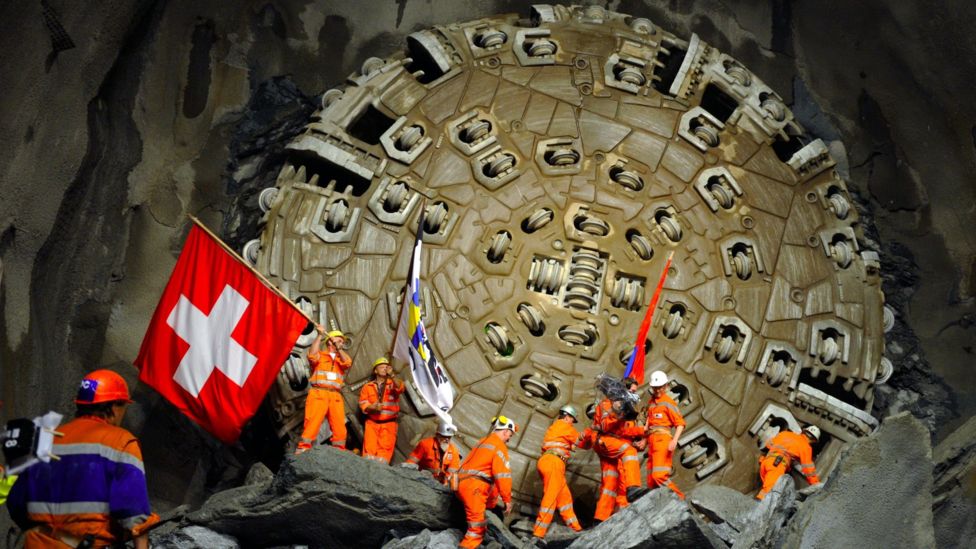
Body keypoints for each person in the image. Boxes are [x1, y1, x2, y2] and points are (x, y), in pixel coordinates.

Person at [7, 370, 159, 548]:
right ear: (115, 406)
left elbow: (16, 502)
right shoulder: (121, 442)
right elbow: (133, 511)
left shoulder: (47, 441)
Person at [585, 377, 647, 522]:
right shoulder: (608, 404)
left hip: (609, 443)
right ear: (623, 389)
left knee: (610, 483)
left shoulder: (621, 406)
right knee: (629, 451)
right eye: (631, 390)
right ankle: (633, 488)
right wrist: (617, 411)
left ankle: (599, 518)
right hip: (605, 441)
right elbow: (605, 426)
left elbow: (623, 432)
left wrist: (642, 431)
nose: (633, 393)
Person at [455, 415, 516, 549]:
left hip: (459, 484)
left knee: (471, 518)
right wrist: (507, 500)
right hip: (474, 488)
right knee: (477, 529)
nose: (509, 439)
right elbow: (503, 476)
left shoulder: (483, 441)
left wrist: (491, 503)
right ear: (505, 431)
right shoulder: (499, 446)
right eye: (509, 435)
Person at [531, 405, 583, 543]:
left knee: (564, 498)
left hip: (547, 461)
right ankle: (538, 533)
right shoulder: (566, 427)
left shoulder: (555, 427)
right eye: (572, 419)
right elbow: (582, 442)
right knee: (551, 497)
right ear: (567, 417)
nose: (572, 422)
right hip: (554, 461)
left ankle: (576, 529)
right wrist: (594, 433)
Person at [296, 325, 352, 454]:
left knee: (339, 426)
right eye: (339, 340)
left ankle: (339, 451)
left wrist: (339, 348)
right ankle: (303, 448)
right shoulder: (320, 356)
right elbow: (311, 355)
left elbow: (347, 363)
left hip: (335, 396)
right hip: (318, 393)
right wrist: (320, 335)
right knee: (312, 422)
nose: (342, 343)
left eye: (342, 341)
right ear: (330, 342)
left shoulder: (341, 359)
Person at [643, 370, 685, 498]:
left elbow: (680, 424)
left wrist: (674, 441)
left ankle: (680, 499)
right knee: (651, 481)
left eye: (660, 387)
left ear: (666, 386)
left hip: (663, 441)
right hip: (652, 442)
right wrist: (644, 440)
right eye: (655, 388)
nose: (657, 390)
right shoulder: (651, 403)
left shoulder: (668, 403)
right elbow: (649, 424)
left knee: (659, 476)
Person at [359, 357, 407, 464]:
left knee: (383, 457)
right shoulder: (368, 387)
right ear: (375, 371)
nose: (385, 369)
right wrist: (373, 407)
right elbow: (363, 403)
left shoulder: (392, 384)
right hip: (372, 424)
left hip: (388, 425)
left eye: (386, 367)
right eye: (381, 367)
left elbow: (401, 388)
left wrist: (392, 375)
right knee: (368, 455)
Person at [756, 425, 822, 500]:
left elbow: (768, 445)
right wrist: (816, 484)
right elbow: (808, 469)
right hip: (777, 466)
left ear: (804, 432)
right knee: (768, 495)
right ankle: (757, 507)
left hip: (765, 462)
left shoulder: (785, 433)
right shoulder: (806, 447)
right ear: (814, 440)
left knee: (765, 490)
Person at [402, 421, 460, 485]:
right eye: (444, 436)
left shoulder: (454, 451)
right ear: (437, 435)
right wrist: (405, 474)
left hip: (439, 483)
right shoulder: (425, 444)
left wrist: (446, 486)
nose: (447, 439)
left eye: (449, 437)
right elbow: (411, 461)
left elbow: (453, 473)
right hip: (422, 479)